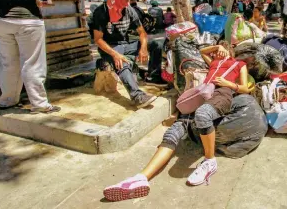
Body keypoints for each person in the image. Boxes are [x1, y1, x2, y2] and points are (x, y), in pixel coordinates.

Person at [103, 41, 252, 201]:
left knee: (202, 115)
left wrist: (228, 83)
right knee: (173, 132)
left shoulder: (238, 64)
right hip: (201, 94)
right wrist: (217, 47)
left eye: (222, 51)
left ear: (230, 51)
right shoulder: (214, 62)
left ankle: (210, 161)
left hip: (222, 94)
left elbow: (245, 88)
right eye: (217, 52)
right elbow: (202, 51)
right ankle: (141, 178)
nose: (217, 54)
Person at [91, 0, 167, 108]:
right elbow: (98, 40)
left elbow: (142, 33)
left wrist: (143, 47)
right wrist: (115, 55)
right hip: (110, 47)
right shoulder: (100, 13)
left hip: (127, 44)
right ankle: (137, 96)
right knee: (122, 63)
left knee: (156, 44)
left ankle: (153, 77)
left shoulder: (129, 10)